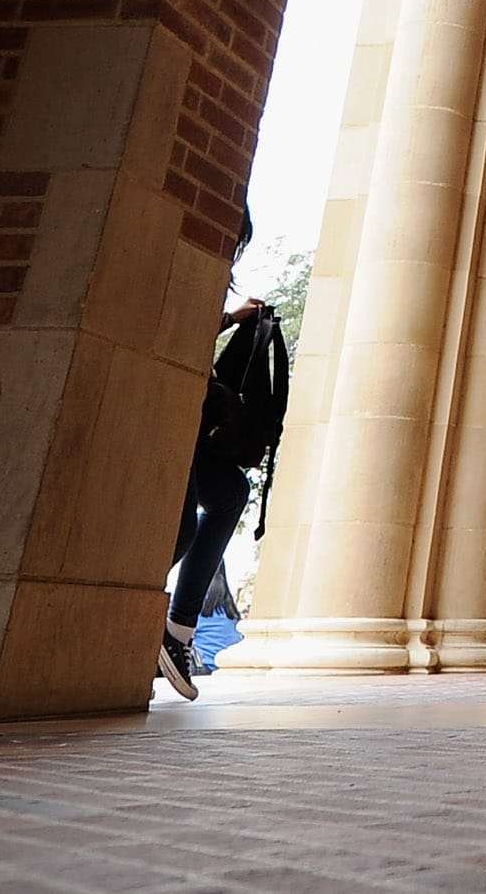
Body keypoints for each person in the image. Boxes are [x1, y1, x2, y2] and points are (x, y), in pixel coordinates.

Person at [156, 261, 287, 703]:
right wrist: (232, 319)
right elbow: (182, 329)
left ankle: (176, 629)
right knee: (183, 528)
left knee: (230, 494)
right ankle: (144, 621)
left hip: (196, 420)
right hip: (176, 413)